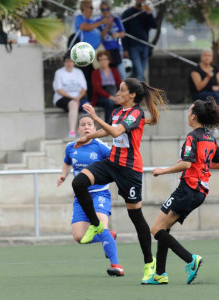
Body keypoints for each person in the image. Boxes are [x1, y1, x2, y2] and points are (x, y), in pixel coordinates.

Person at [71, 77, 168, 284]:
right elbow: (108, 130)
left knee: (136, 217)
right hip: (112, 163)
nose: (118, 92)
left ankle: (149, 264)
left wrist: (95, 117)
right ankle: (96, 225)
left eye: (122, 90)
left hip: (129, 170)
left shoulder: (136, 113)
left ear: (132, 95)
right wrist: (88, 137)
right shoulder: (116, 112)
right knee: (78, 183)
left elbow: (116, 131)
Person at [148, 98, 219, 285]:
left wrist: (163, 170)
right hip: (199, 191)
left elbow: (187, 163)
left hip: (188, 188)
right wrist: (200, 165)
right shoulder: (209, 136)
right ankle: (160, 274)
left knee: (156, 229)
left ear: (194, 116)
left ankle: (191, 260)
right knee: (164, 228)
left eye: (189, 111)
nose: (187, 114)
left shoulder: (193, 136)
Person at [57, 115, 124, 276]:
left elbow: (117, 161)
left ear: (94, 129)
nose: (86, 127)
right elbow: (67, 161)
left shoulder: (101, 147)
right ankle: (108, 236)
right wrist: (63, 175)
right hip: (80, 198)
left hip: (99, 194)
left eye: (89, 124)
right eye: (83, 125)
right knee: (79, 237)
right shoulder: (71, 147)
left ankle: (116, 265)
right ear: (78, 129)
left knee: (101, 225)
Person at [189, 49, 219, 126]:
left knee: (216, 97)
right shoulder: (195, 70)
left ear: (212, 58)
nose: (207, 57)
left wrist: (218, 87)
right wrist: (208, 77)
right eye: (205, 55)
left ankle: (214, 124)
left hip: (213, 94)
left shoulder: (215, 69)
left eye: (209, 55)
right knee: (214, 97)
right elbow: (198, 87)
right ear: (201, 57)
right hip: (199, 94)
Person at [74, 0, 109, 99]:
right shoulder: (79, 18)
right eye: (90, 7)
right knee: (88, 76)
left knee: (99, 74)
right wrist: (100, 22)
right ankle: (90, 98)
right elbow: (85, 27)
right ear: (84, 8)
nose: (92, 10)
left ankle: (100, 96)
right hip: (86, 52)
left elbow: (99, 33)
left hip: (98, 50)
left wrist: (107, 25)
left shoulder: (93, 21)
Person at [53, 52, 89, 138]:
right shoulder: (59, 72)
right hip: (63, 98)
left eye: (71, 61)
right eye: (67, 61)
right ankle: (72, 132)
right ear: (64, 62)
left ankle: (87, 131)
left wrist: (78, 98)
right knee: (73, 104)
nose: (69, 63)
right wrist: (74, 98)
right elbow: (59, 90)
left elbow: (84, 88)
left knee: (88, 107)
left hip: (78, 97)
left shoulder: (79, 72)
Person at [122, 0, 157, 81]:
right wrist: (125, 49)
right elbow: (123, 32)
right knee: (139, 72)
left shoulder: (145, 13)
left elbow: (154, 25)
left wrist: (149, 13)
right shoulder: (128, 13)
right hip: (133, 46)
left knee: (141, 72)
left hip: (145, 46)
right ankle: (139, 92)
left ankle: (139, 90)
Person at [96, 0, 126, 80]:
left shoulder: (115, 19)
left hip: (116, 50)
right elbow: (99, 37)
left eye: (107, 9)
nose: (105, 12)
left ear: (110, 9)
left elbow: (123, 33)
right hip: (104, 52)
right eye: (103, 10)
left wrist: (117, 34)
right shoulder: (98, 21)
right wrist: (108, 27)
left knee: (121, 74)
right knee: (107, 76)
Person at [91, 50, 121, 123]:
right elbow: (97, 89)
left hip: (114, 93)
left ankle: (124, 126)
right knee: (109, 102)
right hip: (101, 96)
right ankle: (108, 125)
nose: (103, 61)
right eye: (101, 60)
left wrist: (119, 97)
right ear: (98, 61)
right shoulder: (95, 73)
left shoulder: (114, 71)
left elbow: (120, 85)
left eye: (105, 59)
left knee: (127, 101)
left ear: (109, 60)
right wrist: (112, 98)